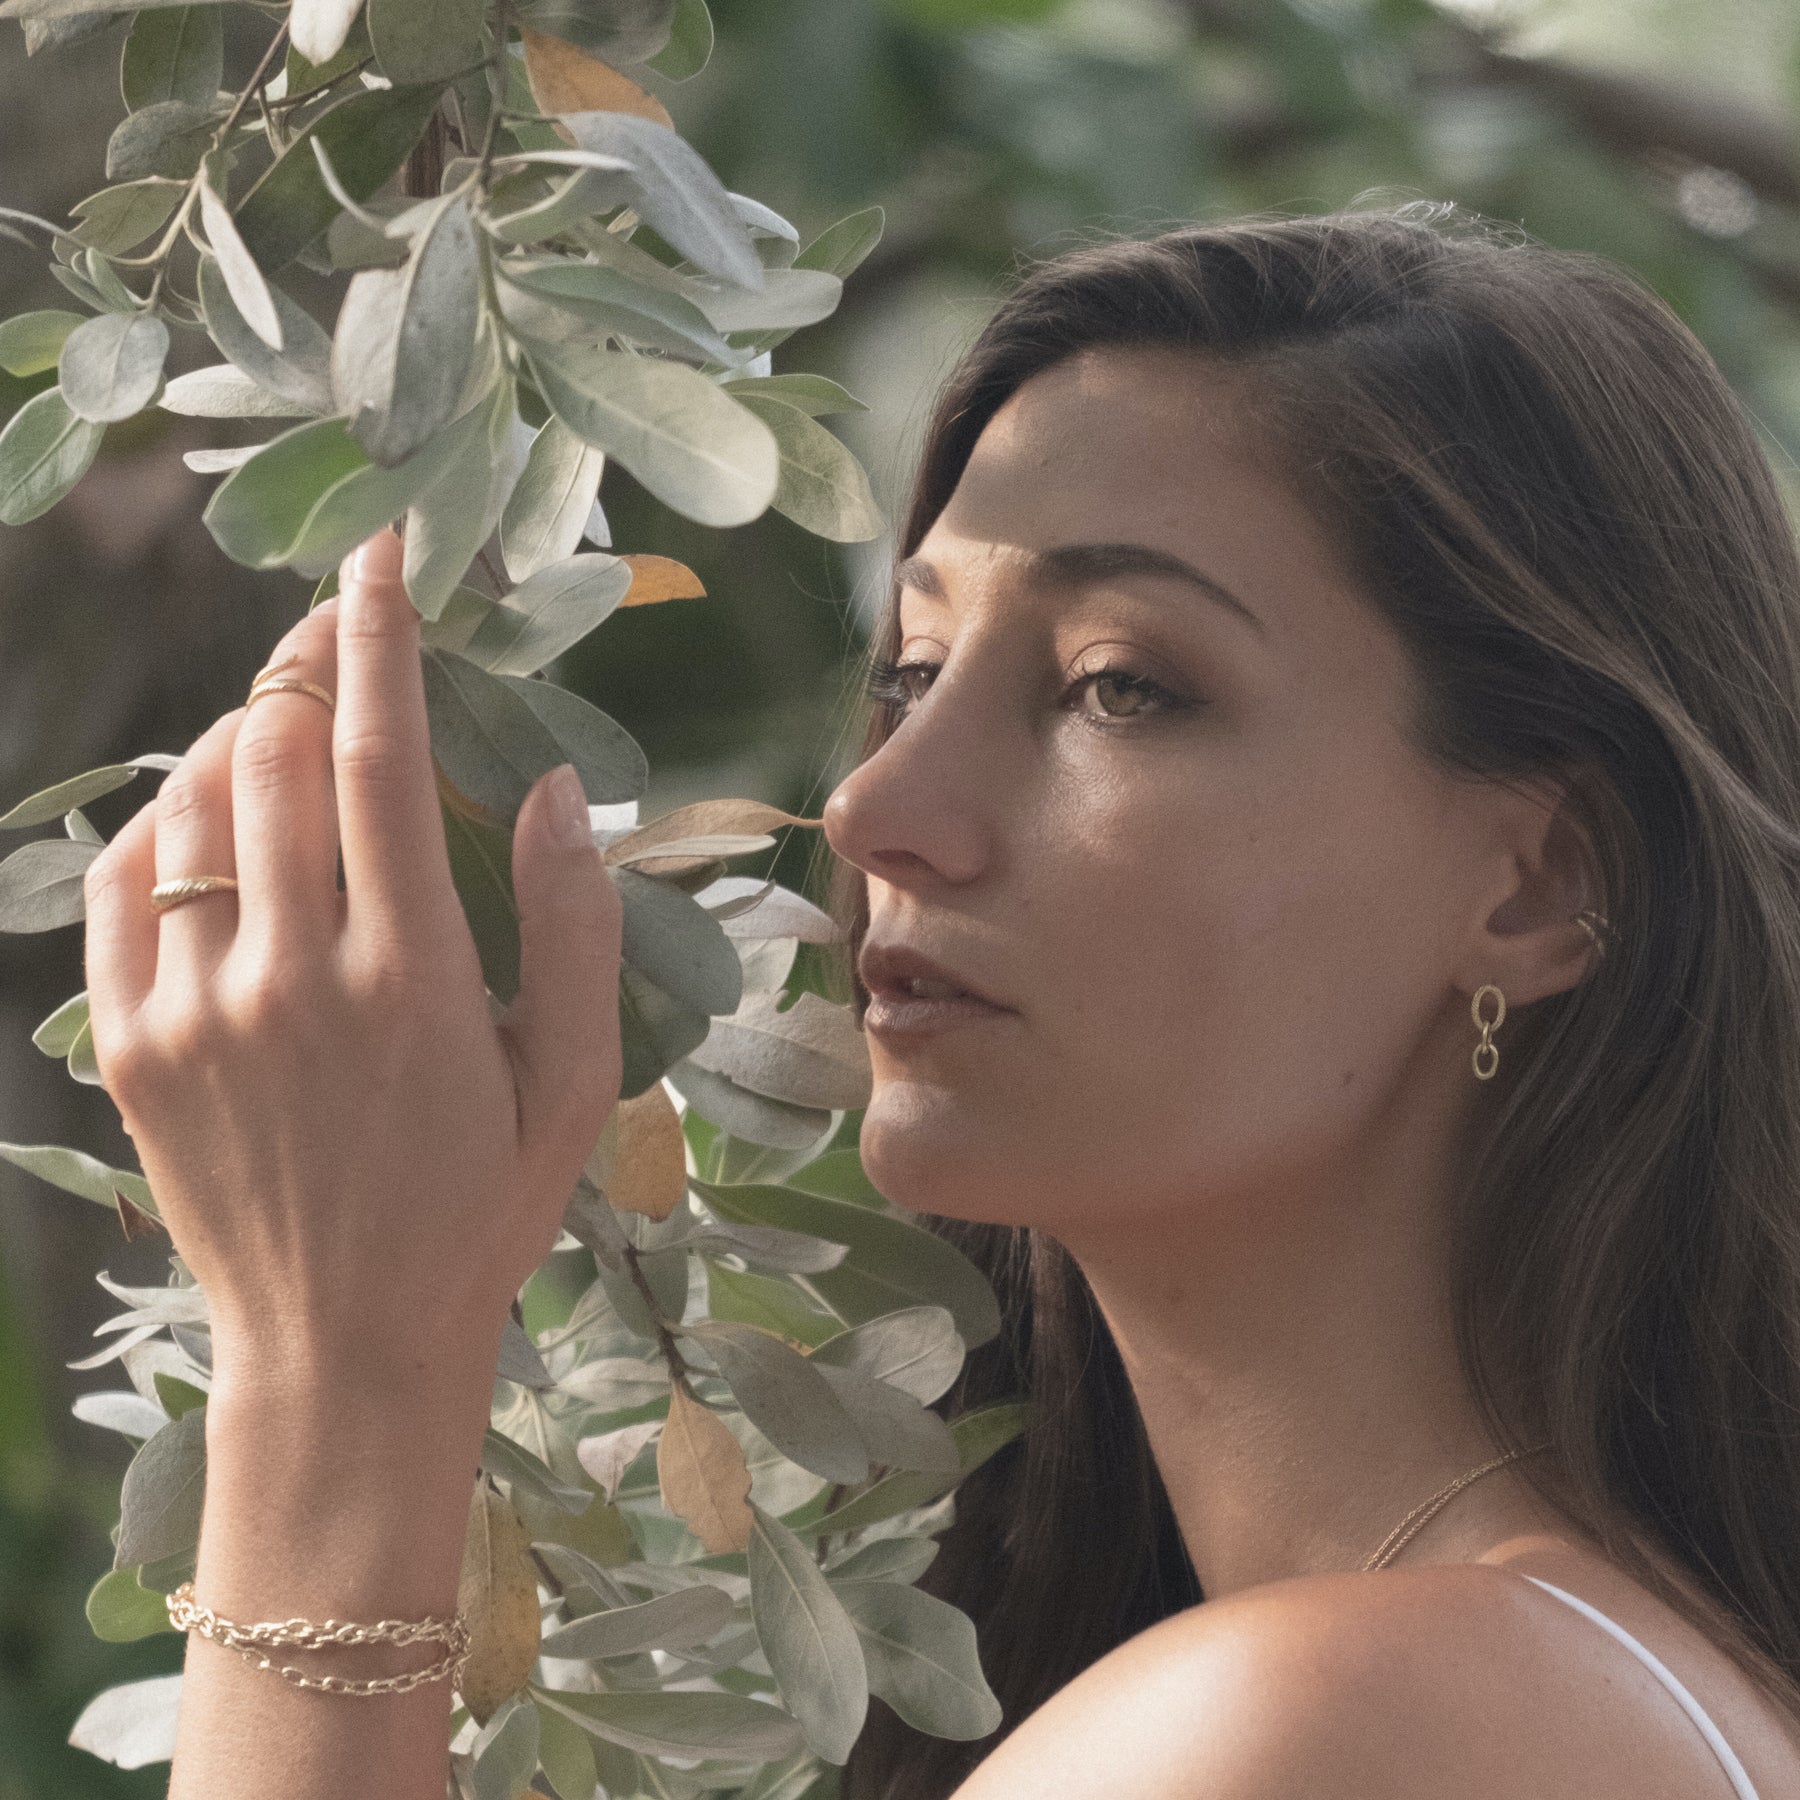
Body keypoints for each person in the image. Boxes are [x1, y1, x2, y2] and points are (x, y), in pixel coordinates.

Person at [80, 198, 1800, 1799]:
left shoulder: (1334, 1723)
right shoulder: (1542, 1678)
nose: (877, 809)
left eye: (1119, 686)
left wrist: (341, 1369)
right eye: (910, 668)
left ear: (1538, 883)